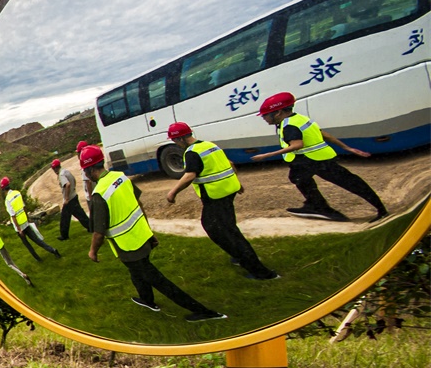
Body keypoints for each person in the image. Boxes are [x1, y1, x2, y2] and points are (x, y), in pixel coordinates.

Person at [83, 144, 224, 322]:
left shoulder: (99, 194)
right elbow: (139, 206)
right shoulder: (120, 177)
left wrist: (93, 251)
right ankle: (147, 300)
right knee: (136, 273)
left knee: (158, 280)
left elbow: (98, 233)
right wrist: (149, 233)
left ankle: (205, 312)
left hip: (128, 246)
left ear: (88, 170)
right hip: (142, 237)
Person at [163, 121, 279, 280]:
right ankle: (240, 256)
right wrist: (237, 183)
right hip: (227, 192)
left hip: (215, 196)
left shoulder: (191, 152)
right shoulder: (209, 145)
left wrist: (173, 192)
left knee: (220, 230)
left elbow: (190, 175)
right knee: (228, 227)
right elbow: (229, 164)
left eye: (174, 140)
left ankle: (261, 272)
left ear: (180, 139)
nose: (175, 143)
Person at [249, 91, 387, 221]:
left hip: (314, 161)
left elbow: (297, 145)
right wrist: (347, 147)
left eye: (265, 115)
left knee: (350, 182)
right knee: (298, 177)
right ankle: (317, 205)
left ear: (278, 112)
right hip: (306, 160)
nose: (264, 118)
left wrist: (267, 155)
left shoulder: (289, 126)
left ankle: (380, 210)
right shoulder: (299, 118)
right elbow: (323, 134)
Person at [1, 176, 61, 260]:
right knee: (37, 240)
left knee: (28, 245)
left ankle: (38, 259)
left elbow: (13, 216)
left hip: (19, 226)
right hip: (25, 222)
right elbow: (24, 207)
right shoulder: (17, 193)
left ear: (3, 189)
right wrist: (27, 218)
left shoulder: (7, 200)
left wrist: (19, 229)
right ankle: (53, 250)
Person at [55, 157, 89, 240]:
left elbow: (67, 184)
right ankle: (90, 227)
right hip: (73, 196)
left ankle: (64, 236)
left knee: (65, 218)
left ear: (55, 168)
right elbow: (73, 180)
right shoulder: (66, 171)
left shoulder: (61, 174)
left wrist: (66, 198)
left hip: (69, 200)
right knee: (80, 214)